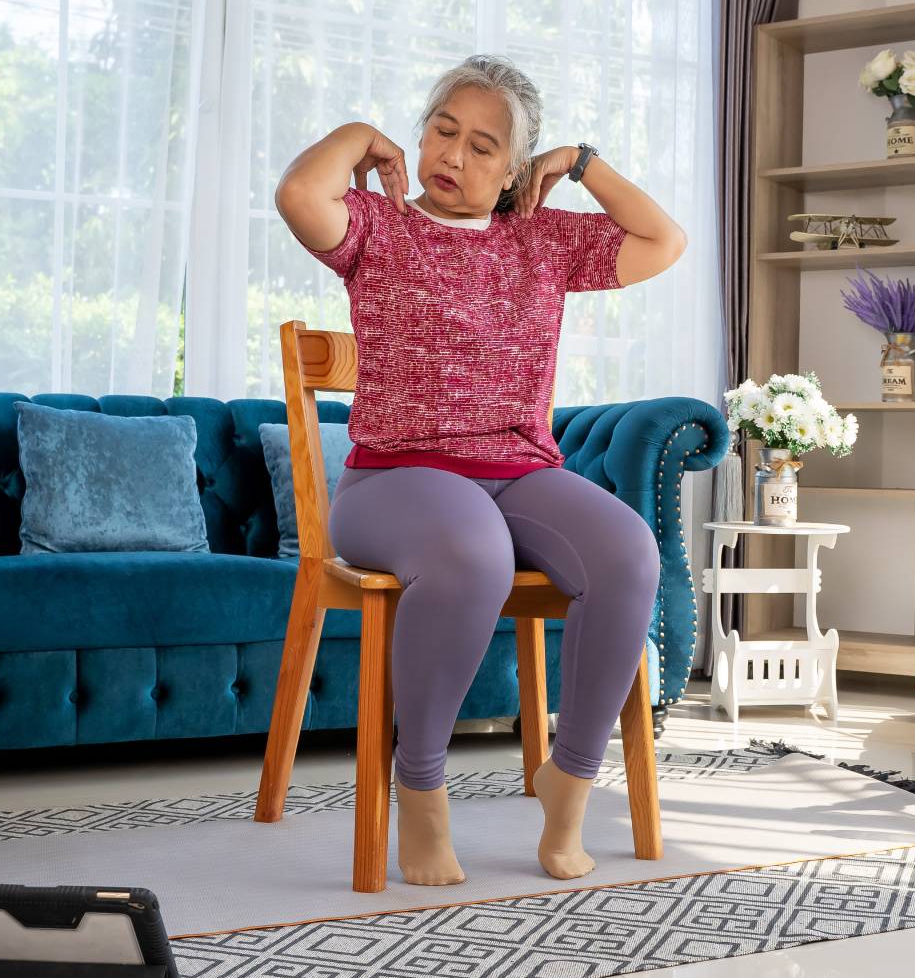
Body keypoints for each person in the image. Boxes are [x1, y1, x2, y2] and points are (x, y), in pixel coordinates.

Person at [274, 54, 687, 886]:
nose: (453, 156)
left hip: (517, 471)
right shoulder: (378, 223)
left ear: (514, 171)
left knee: (629, 554)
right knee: (474, 553)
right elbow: (297, 195)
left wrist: (580, 163)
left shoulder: (541, 239)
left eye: (484, 146)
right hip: (392, 480)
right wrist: (359, 135)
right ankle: (420, 790)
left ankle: (567, 783)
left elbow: (663, 240)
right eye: (442, 130)